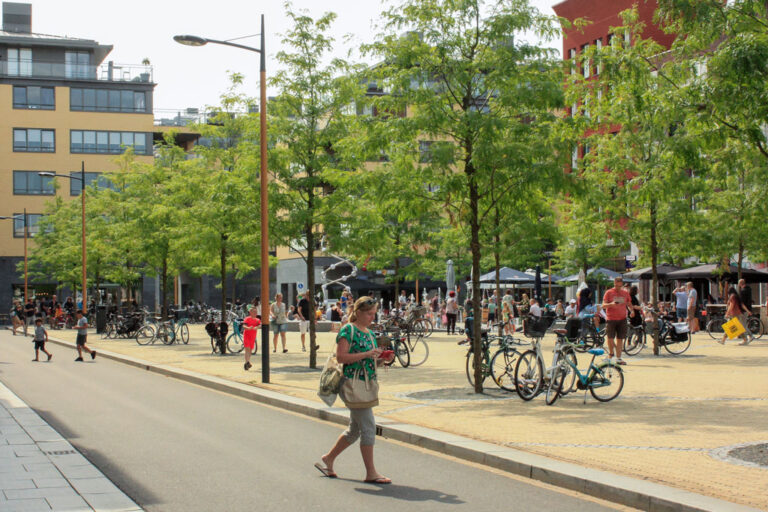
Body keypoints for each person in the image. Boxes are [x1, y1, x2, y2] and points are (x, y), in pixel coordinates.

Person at [315, 297, 393, 483]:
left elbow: (370, 359)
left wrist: (383, 359)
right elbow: (341, 357)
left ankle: (328, 459)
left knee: (355, 429)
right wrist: (367, 354)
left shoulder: (369, 333)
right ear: (358, 312)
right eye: (369, 313)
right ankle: (371, 472)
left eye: (374, 313)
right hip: (353, 384)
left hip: (366, 384)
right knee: (368, 427)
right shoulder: (348, 330)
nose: (372, 317)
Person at [601, 276, 631, 365]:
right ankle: (611, 354)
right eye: (616, 286)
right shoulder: (608, 292)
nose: (618, 288)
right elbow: (603, 305)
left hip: (622, 318)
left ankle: (618, 358)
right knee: (610, 338)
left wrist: (632, 310)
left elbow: (629, 303)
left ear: (622, 285)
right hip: (611, 318)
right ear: (614, 284)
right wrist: (611, 304)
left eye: (619, 286)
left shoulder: (625, 293)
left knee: (620, 338)